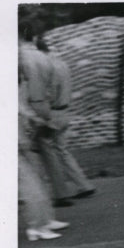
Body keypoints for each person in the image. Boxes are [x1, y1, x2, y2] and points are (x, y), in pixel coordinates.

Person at [35, 35, 97, 206]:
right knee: (62, 150)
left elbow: (48, 93)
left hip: (52, 113)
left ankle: (60, 193)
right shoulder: (61, 63)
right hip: (65, 110)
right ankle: (83, 185)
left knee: (48, 152)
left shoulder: (45, 66)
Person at [18, 64, 68, 241]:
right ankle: (36, 228)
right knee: (30, 187)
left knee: (38, 180)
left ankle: (45, 221)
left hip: (21, 145)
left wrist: (36, 120)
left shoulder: (15, 91)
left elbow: (22, 108)